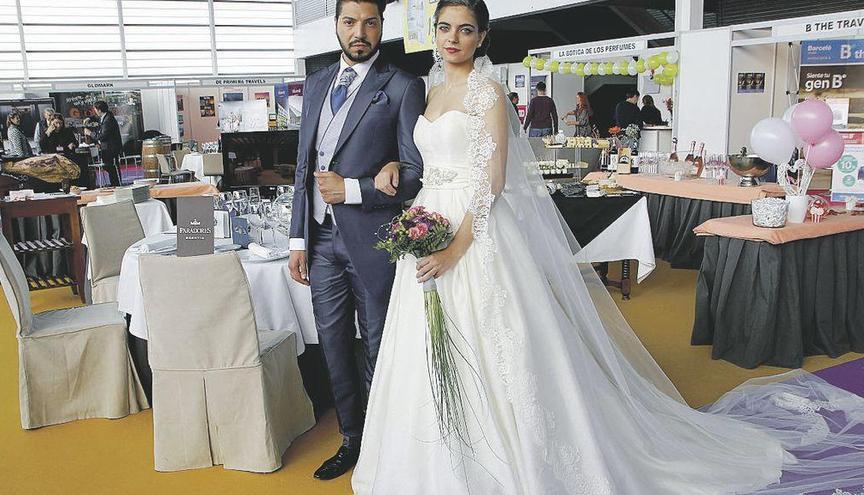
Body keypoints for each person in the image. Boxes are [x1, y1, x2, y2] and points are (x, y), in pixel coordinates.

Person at [352, 0, 864, 493]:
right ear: (434, 34)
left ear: (482, 36)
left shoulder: (487, 93)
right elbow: (425, 164)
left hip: (476, 231)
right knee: (422, 344)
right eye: (445, 28)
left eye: (465, 29)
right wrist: (406, 193)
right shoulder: (427, 91)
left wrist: (457, 246)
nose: (453, 39)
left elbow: (492, 180)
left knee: (501, 343)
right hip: (429, 222)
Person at [286, 0, 425, 481]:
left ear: (382, 26)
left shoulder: (404, 85)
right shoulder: (318, 81)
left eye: (369, 22)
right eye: (350, 22)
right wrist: (297, 238)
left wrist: (355, 189)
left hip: (374, 241)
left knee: (379, 346)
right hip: (321, 241)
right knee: (333, 344)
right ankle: (352, 439)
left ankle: (385, 440)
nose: (359, 31)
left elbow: (415, 176)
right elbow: (304, 166)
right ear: (336, 26)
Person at [88, 101, 122, 186]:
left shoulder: (108, 120)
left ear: (99, 110)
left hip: (110, 149)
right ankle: (114, 184)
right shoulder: (106, 116)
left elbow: (102, 136)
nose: (95, 112)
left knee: (111, 168)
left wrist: (90, 133)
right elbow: (97, 119)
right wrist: (90, 119)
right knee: (110, 168)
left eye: (95, 110)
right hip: (108, 148)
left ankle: (115, 184)